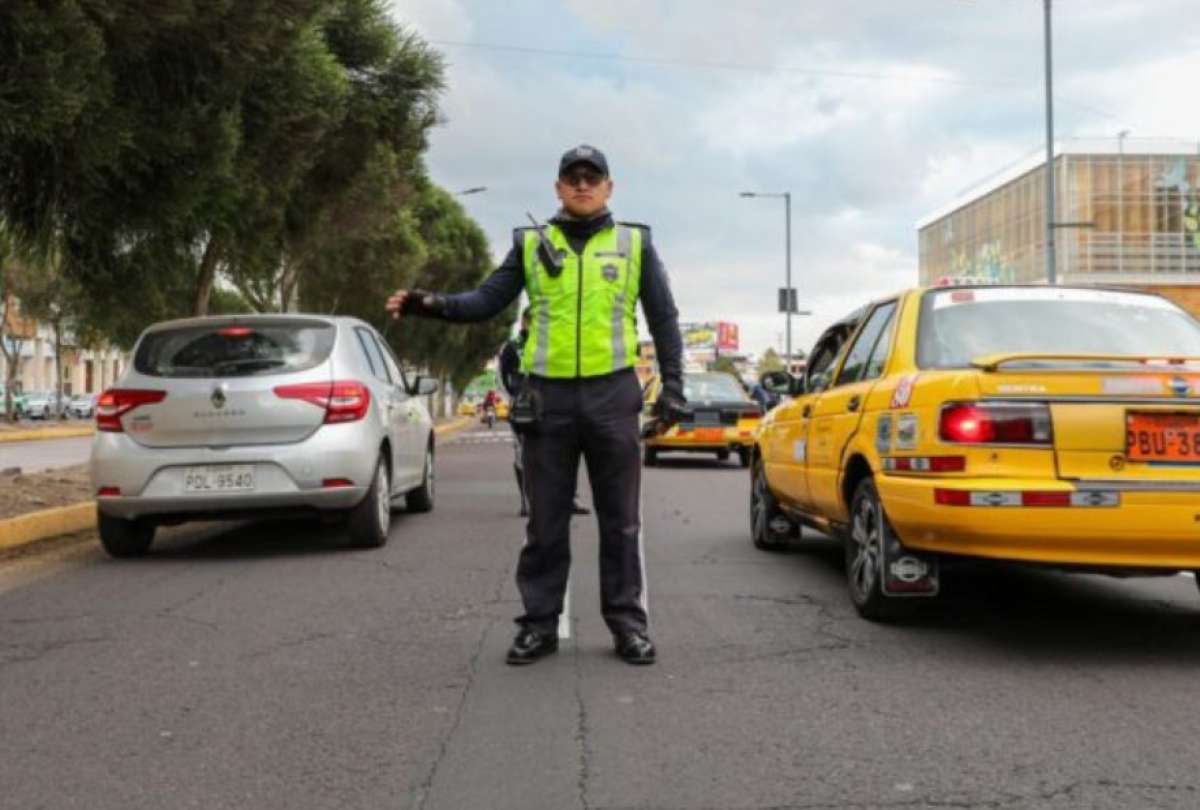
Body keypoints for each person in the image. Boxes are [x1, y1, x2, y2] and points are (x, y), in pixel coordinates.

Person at [387, 144, 685, 666]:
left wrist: (675, 388)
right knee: (545, 522)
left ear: (609, 187)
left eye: (594, 178)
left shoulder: (635, 243)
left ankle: (628, 626)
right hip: (548, 399)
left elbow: (663, 320)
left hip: (613, 395)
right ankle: (538, 626)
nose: (583, 185)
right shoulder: (530, 244)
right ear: (558, 188)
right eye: (573, 178)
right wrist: (427, 303)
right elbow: (485, 301)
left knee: (621, 523)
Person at [499, 307, 590, 518]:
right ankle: (527, 501)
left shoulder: (552, 341)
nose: (535, 325)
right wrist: (519, 397)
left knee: (567, 451)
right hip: (525, 407)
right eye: (531, 321)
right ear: (523, 323)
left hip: (555, 403)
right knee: (524, 454)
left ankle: (570, 499)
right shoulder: (513, 347)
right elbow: (505, 377)